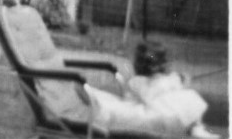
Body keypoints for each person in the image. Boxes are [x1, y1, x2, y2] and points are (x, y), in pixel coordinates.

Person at [84, 40, 218, 138]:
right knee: (187, 103)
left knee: (110, 105)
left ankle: (196, 129)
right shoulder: (166, 80)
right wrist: (179, 80)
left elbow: (137, 95)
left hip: (158, 114)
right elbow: (163, 90)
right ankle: (196, 129)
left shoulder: (139, 82)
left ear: (138, 65)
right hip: (170, 113)